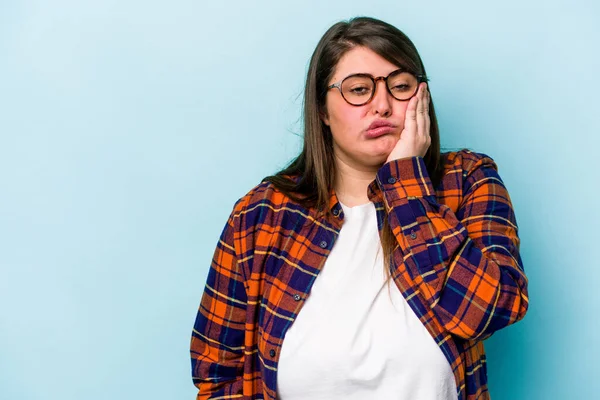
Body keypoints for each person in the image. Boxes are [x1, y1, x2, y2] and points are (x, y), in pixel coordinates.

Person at [190, 16, 529, 400]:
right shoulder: (260, 217)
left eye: (400, 87)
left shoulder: (468, 181)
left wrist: (406, 181)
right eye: (359, 90)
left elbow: (490, 310)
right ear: (322, 110)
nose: (382, 105)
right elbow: (219, 373)